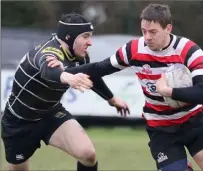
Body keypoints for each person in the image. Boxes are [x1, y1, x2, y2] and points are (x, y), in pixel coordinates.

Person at [47, 4, 203, 171]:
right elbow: (99, 68)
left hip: (194, 122)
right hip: (162, 128)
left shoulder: (188, 50)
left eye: (153, 32)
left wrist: (168, 91)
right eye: (144, 31)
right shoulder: (134, 49)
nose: (147, 37)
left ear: (168, 28)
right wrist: (65, 71)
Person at [1, 12, 130, 171]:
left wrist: (111, 99)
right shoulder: (48, 52)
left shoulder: (80, 57)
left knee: (87, 154)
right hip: (19, 120)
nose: (90, 42)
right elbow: (48, 70)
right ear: (69, 37)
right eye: (85, 36)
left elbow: (91, 75)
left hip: (50, 114)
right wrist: (66, 76)